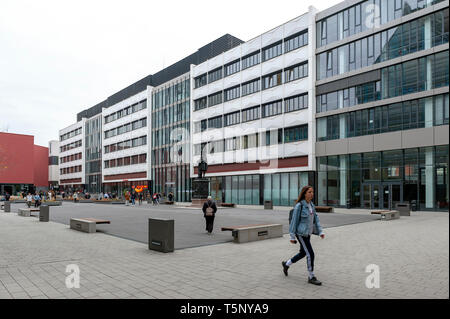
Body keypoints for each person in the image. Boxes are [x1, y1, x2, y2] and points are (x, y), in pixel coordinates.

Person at [282, 186, 325, 286]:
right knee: (310, 254)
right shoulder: (299, 206)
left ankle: (286, 264)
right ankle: (311, 276)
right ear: (304, 193)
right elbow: (294, 222)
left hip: (308, 233)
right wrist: (292, 237)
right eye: (309, 192)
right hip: (301, 234)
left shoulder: (312, 205)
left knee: (302, 253)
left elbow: (316, 220)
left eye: (312, 192)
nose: (312, 194)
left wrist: (320, 232)